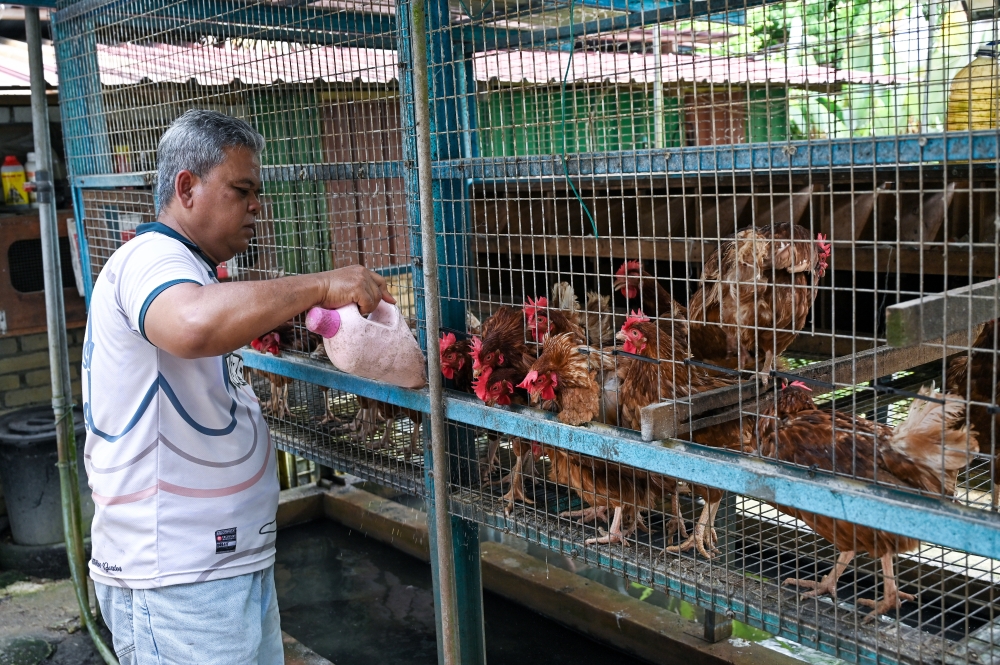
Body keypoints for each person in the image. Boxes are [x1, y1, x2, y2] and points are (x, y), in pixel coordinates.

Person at [82, 109, 393, 665]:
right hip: (178, 581)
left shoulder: (191, 269)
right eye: (242, 189)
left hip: (212, 568)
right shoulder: (152, 258)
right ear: (187, 188)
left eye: (259, 192)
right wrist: (320, 284)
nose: (257, 207)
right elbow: (193, 324)